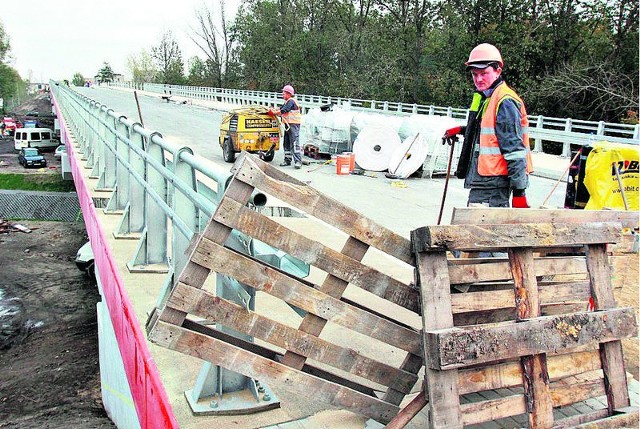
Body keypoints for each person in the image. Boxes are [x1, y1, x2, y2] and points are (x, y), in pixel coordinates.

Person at [443, 43, 533, 208]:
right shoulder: (487, 98)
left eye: (484, 73)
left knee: (481, 230)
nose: (478, 79)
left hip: (494, 183)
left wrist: (519, 192)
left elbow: (515, 150)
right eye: (474, 74)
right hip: (484, 179)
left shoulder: (505, 101)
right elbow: (489, 134)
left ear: (498, 70)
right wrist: (463, 130)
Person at [269, 84, 303, 169]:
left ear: (288, 93)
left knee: (294, 143)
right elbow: (281, 108)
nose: (282, 94)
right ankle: (287, 160)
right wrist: (273, 109)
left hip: (293, 125)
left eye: (283, 93)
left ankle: (298, 161)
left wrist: (274, 113)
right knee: (286, 143)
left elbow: (284, 110)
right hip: (288, 125)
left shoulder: (291, 101)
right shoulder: (287, 102)